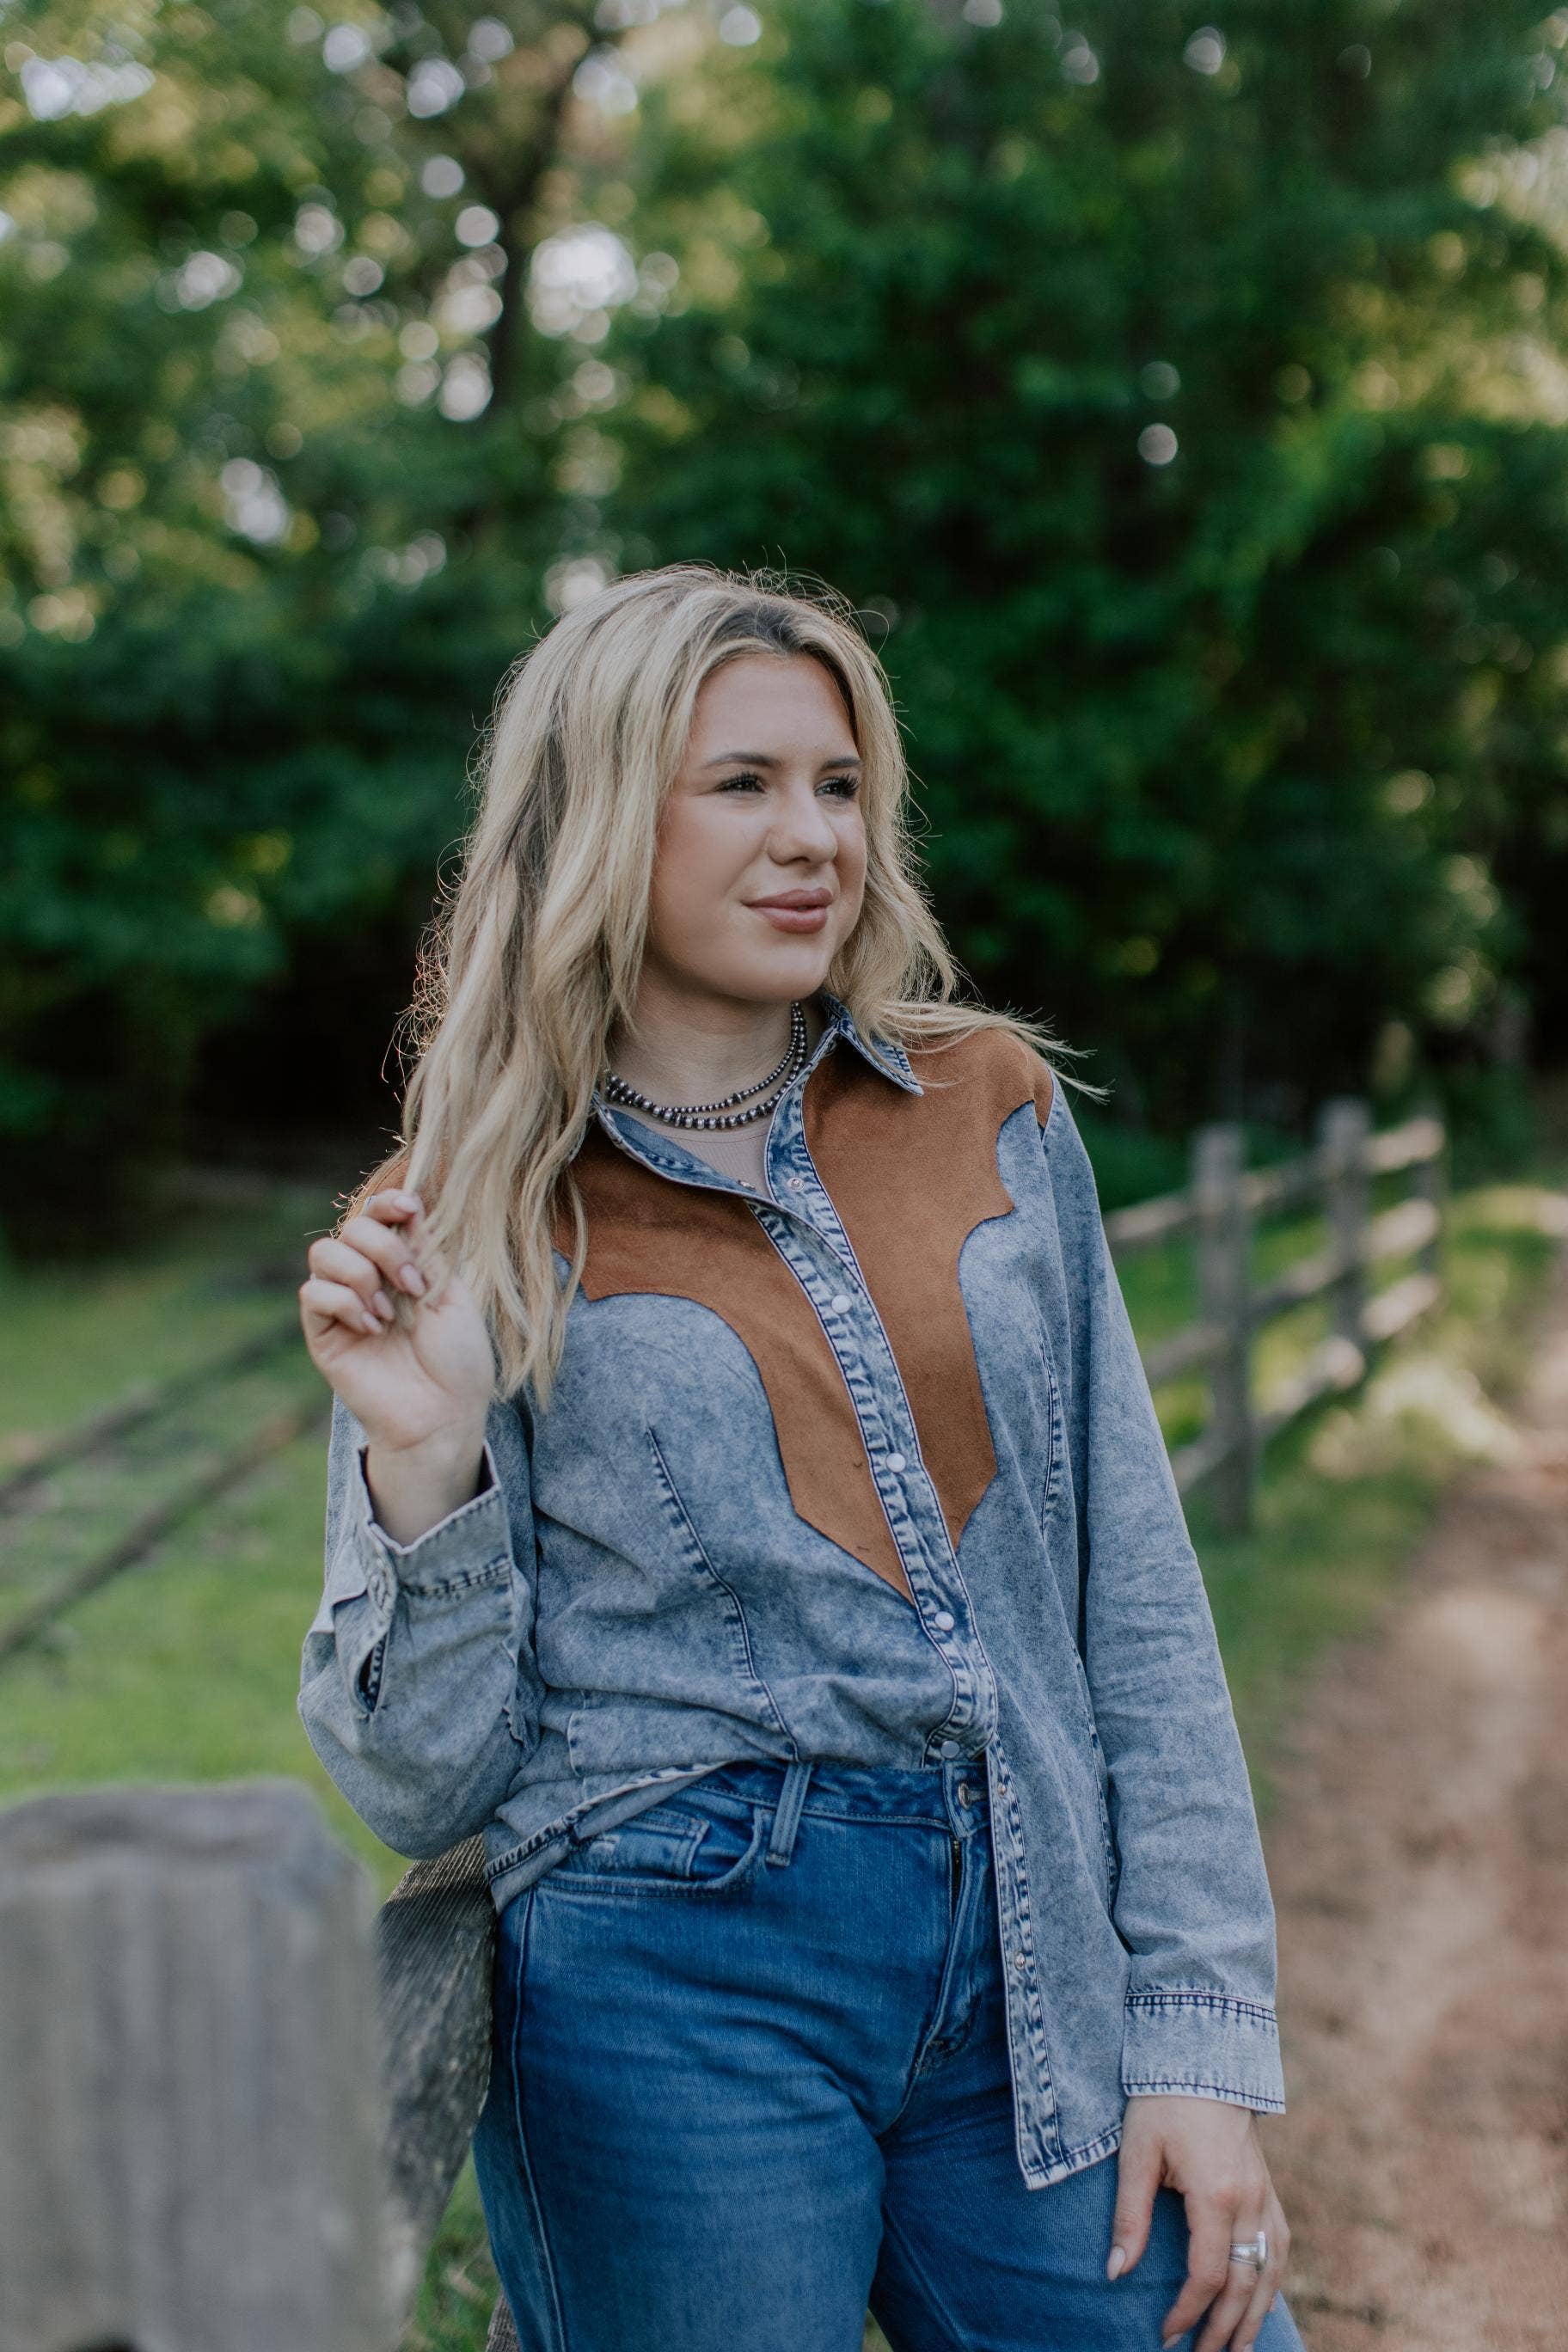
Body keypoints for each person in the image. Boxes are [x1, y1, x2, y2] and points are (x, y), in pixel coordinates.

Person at [297, 564, 1308, 2352]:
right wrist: (424, 1462)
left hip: (1030, 1958)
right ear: (603, 814)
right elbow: (421, 1786)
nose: (812, 838)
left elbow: (1134, 1602)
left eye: (839, 786)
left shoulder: (988, 1110)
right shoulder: (459, 1214)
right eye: (743, 784)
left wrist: (1202, 2042)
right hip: (667, 1987)